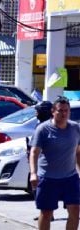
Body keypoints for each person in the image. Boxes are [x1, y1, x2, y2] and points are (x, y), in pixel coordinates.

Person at [30, 96, 80, 230]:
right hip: (48, 179)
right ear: (53, 111)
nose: (64, 114)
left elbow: (78, 152)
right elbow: (34, 152)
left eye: (66, 111)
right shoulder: (43, 129)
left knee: (75, 210)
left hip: (70, 178)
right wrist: (33, 174)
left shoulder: (75, 128)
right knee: (46, 213)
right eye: (60, 111)